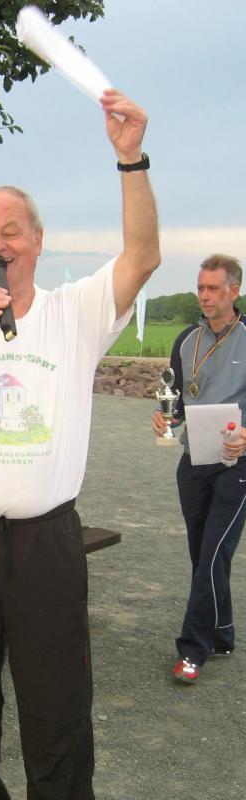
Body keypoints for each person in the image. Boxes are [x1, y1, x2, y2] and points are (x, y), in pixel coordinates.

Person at [0, 89, 160, 800]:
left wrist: (130, 159)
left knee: (58, 711)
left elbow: (142, 255)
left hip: (46, 543)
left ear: (38, 242)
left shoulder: (74, 312)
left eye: (12, 231)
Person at [151, 254, 246, 684]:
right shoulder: (186, 338)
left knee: (212, 554)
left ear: (234, 290)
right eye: (200, 288)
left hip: (235, 465)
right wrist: (164, 418)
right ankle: (222, 632)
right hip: (193, 463)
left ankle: (193, 650)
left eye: (213, 289)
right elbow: (174, 398)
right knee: (203, 555)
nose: (204, 296)